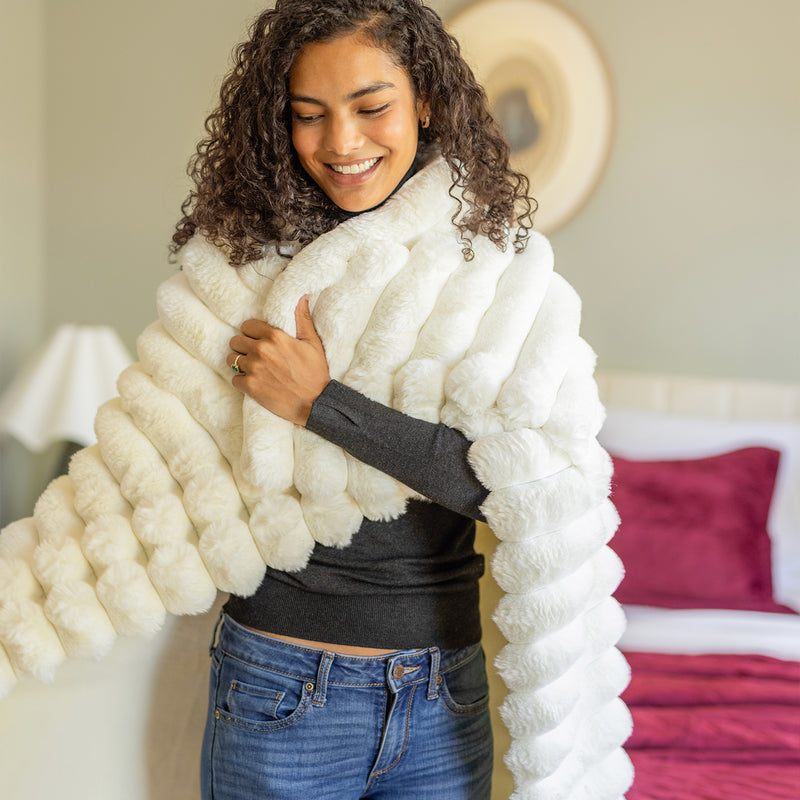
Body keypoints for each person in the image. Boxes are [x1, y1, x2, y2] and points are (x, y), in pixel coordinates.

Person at [0, 1, 632, 798]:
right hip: (278, 686)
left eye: (372, 108)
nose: (341, 143)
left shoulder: (499, 281)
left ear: (426, 101)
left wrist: (320, 403)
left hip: (444, 698)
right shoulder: (234, 273)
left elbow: (521, 490)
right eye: (309, 115)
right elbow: (137, 482)